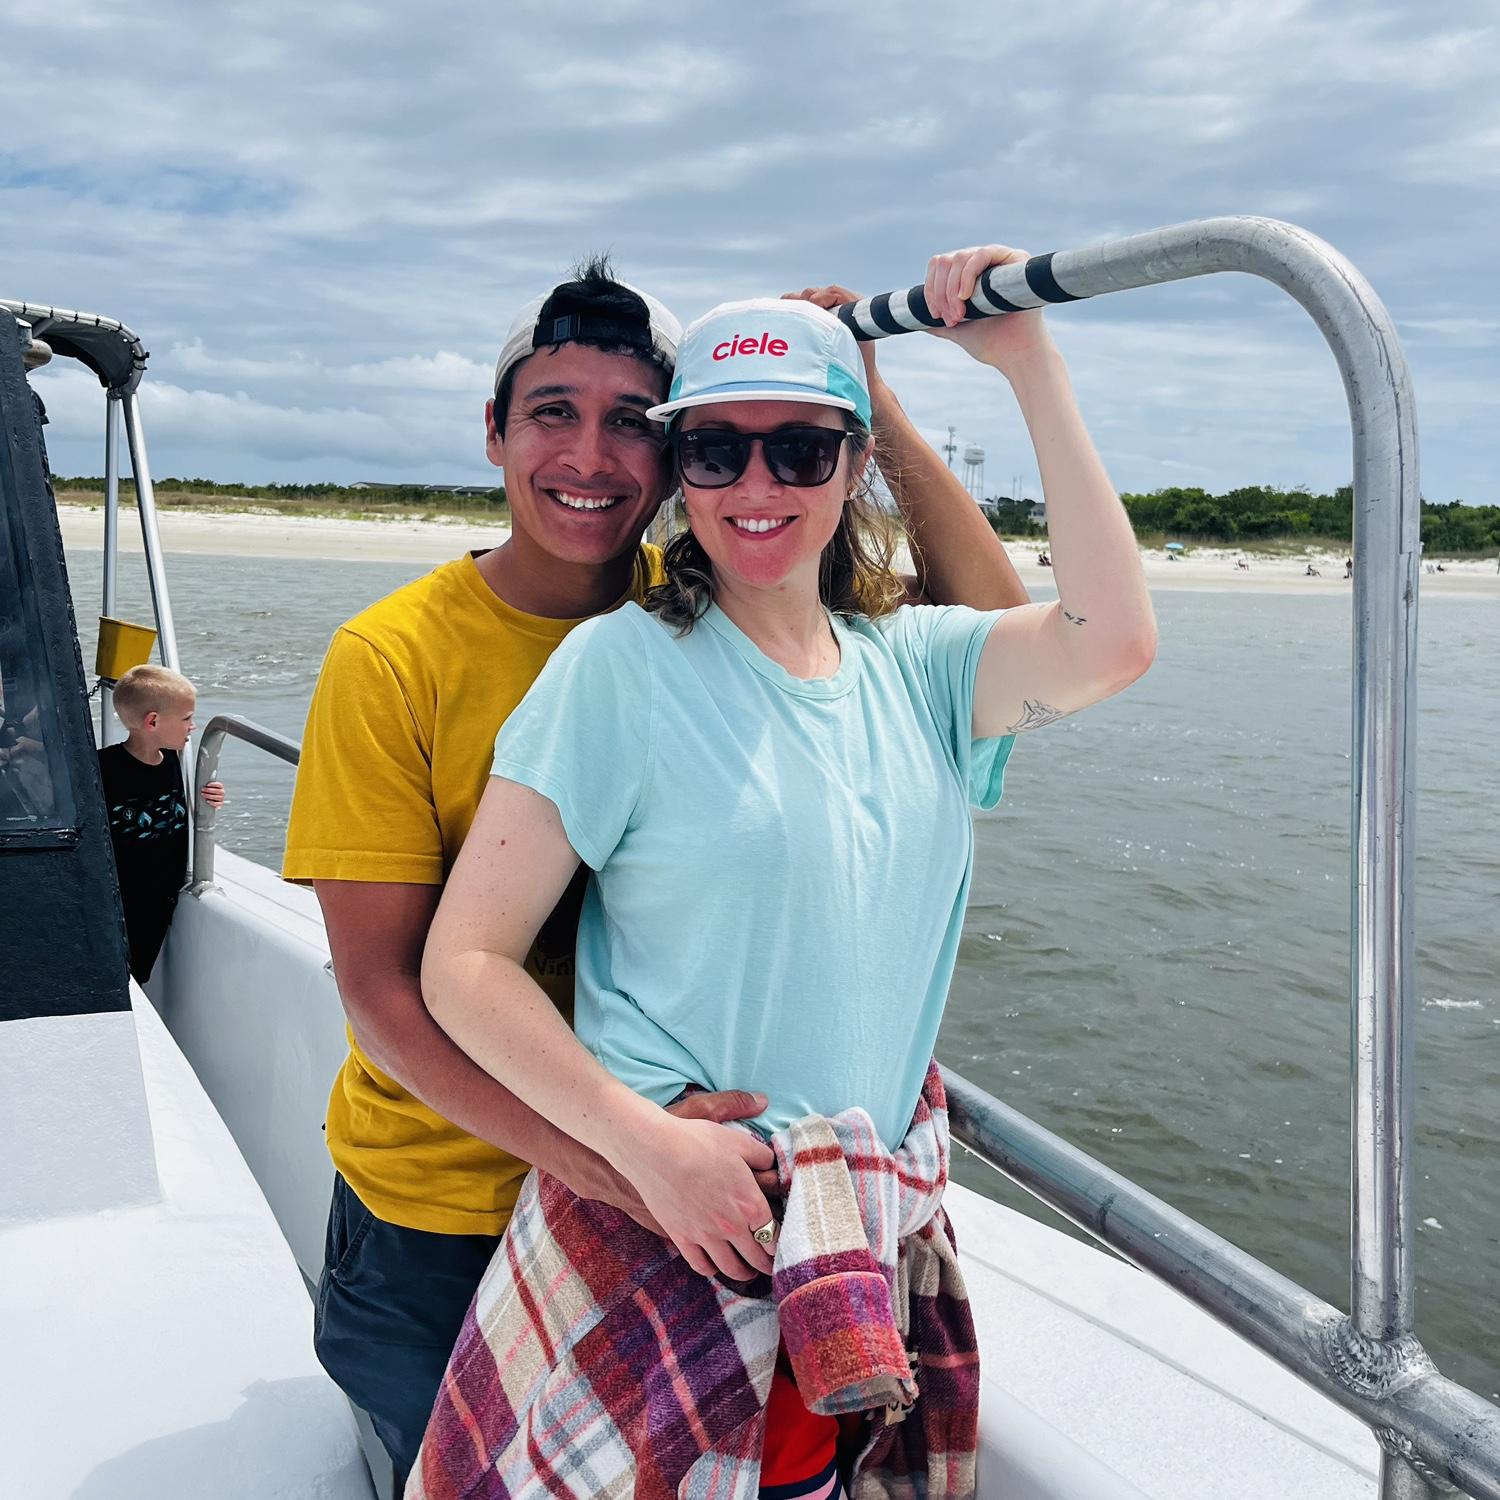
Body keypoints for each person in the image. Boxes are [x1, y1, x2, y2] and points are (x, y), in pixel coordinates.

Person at [416, 246, 1157, 1497]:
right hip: (668, 1222)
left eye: (802, 450)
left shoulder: (920, 668)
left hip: (848, 1239)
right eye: (715, 451)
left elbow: (1112, 640)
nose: (756, 485)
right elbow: (463, 962)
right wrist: (643, 1145)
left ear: (857, 464)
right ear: (677, 473)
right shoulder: (619, 672)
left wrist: (1028, 365)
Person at [281, 256, 1031, 1484]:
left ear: (676, 451)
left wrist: (864, 397)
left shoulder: (711, 601)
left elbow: (1002, 638)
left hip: (677, 1199)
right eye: (552, 414)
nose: (590, 456)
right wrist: (628, 1162)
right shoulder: (391, 659)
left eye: (632, 422)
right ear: (493, 434)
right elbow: (386, 996)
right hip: (454, 1199)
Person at [98, 664, 225, 983]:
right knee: (119, 979)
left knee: (139, 975)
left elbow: (181, 812)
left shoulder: (174, 760)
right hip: (121, 905)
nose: (193, 727)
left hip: (160, 902)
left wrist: (211, 799)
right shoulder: (103, 768)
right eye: (186, 719)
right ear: (152, 721)